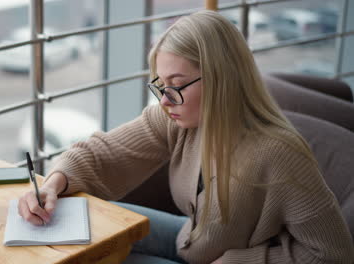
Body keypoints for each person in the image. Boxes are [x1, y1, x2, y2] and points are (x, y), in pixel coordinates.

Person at [18, 10, 354, 264]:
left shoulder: (279, 154)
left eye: (176, 85)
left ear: (223, 80)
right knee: (79, 221)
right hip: (187, 239)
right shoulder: (177, 119)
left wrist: (244, 261)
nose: (165, 100)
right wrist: (53, 185)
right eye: (161, 85)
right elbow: (104, 153)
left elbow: (333, 253)